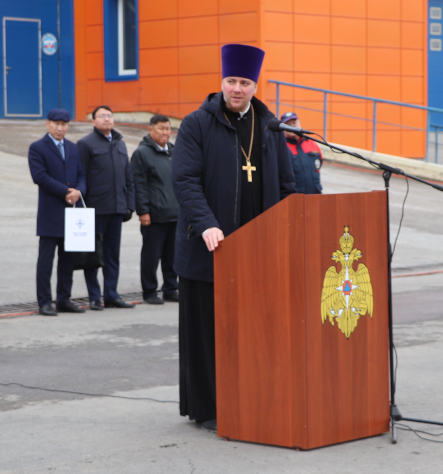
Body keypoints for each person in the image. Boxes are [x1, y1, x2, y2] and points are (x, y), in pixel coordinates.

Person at [173, 43, 296, 431]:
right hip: (208, 246)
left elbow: (288, 185)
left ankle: (252, 400)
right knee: (209, 333)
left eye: (244, 82)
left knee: (252, 331)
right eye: (231, 81)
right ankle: (209, 408)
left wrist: (290, 230)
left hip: (258, 250)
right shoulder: (196, 124)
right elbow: (185, 180)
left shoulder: (270, 127)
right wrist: (207, 223)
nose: (237, 89)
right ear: (222, 82)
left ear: (255, 86)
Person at [28, 108, 87, 316]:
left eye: (64, 124)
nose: (60, 128)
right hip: (50, 212)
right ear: (48, 124)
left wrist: (79, 191)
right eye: (56, 124)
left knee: (68, 260)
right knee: (46, 260)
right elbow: (40, 177)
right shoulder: (37, 148)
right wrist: (65, 192)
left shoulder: (72, 147)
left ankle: (64, 299)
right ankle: (44, 302)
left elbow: (81, 174)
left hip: (71, 211)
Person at [77, 105, 136, 310]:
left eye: (109, 116)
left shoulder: (120, 144)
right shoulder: (85, 144)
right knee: (93, 255)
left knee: (112, 255)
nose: (106, 119)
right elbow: (81, 176)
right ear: (93, 121)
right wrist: (82, 207)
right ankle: (94, 296)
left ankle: (111, 295)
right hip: (95, 208)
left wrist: (130, 204)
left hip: (117, 209)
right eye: (101, 116)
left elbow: (128, 177)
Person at [130, 114, 179, 305]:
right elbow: (139, 185)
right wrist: (143, 211)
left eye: (168, 128)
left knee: (171, 255)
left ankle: (170, 288)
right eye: (161, 128)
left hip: (174, 214)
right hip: (154, 215)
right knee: (151, 255)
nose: (165, 132)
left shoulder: (173, 151)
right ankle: (149, 291)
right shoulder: (142, 154)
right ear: (150, 129)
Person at [279, 112, 323, 195]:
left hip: (315, 196)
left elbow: (319, 163)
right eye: (288, 124)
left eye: (294, 123)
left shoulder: (312, 144)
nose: (292, 126)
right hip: (294, 198)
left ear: (299, 123)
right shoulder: (282, 147)